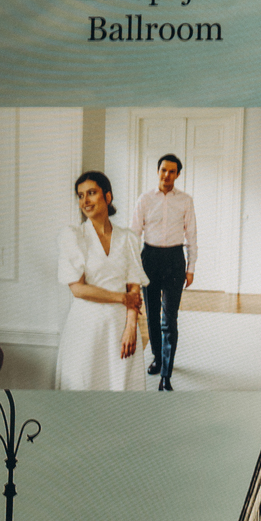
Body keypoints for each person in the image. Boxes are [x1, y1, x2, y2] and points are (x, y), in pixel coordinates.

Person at [54, 171, 148, 391]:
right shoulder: (73, 236)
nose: (85, 201)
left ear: (108, 197)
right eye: (80, 196)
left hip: (119, 326)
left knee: (119, 388)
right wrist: (121, 298)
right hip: (86, 326)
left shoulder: (129, 238)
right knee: (84, 385)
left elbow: (134, 286)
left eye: (91, 193)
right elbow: (77, 289)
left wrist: (131, 327)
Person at [129, 154, 197, 391]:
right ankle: (157, 358)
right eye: (163, 170)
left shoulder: (186, 201)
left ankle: (166, 375)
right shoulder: (145, 200)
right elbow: (133, 235)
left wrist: (191, 268)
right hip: (150, 259)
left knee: (169, 319)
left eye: (172, 171)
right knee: (152, 316)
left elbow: (192, 237)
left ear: (178, 174)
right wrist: (133, 268)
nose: (167, 175)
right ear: (157, 171)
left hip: (175, 261)